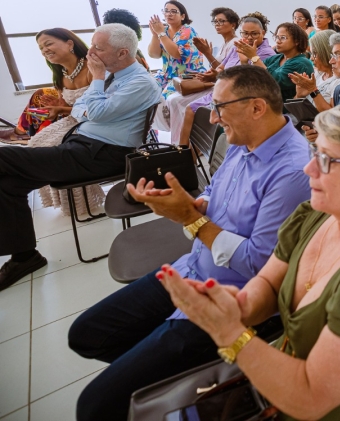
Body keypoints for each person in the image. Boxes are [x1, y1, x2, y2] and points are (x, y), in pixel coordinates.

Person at [153, 102, 340, 421]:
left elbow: (311, 398)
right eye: (314, 152)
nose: (309, 169)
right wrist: (240, 306)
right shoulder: (315, 214)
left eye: (325, 160)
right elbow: (269, 283)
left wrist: (230, 332)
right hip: (276, 386)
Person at [69, 66, 311, 421]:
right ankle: (162, 380)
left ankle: (174, 384)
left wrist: (190, 219)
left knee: (95, 407)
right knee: (86, 334)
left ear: (257, 107)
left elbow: (259, 266)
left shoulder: (292, 172)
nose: (213, 118)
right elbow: (214, 191)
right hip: (192, 268)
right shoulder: (245, 140)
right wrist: (189, 204)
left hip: (230, 300)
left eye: (219, 107)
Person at [0, 25, 161, 291]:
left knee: (4, 157)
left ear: (122, 53)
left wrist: (95, 82)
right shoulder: (114, 75)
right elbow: (80, 108)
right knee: (8, 185)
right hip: (83, 144)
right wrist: (90, 105)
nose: (90, 52)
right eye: (92, 44)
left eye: (98, 47)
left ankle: (23, 256)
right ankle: (25, 257)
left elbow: (93, 112)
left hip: (104, 154)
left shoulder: (139, 82)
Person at [177, 16, 276, 147]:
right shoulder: (238, 46)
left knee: (202, 117)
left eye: (254, 34)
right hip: (222, 90)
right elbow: (221, 67)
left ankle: (196, 151)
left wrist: (243, 61)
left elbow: (251, 81)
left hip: (239, 96)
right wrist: (213, 73)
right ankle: (182, 151)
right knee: (189, 108)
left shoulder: (267, 53)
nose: (249, 37)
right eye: (245, 33)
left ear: (263, 33)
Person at [0, 29, 92, 145]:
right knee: (41, 95)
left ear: (69, 44)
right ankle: (22, 132)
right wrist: (59, 106)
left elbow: (100, 110)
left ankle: (22, 133)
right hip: (74, 115)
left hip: (91, 119)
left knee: (41, 144)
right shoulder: (60, 75)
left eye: (48, 44)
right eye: (41, 48)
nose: (44, 50)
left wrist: (61, 109)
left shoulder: (92, 68)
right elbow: (67, 107)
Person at [165, 7, 241, 144]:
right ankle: (180, 143)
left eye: (221, 21)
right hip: (215, 82)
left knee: (177, 101)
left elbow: (226, 72)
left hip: (222, 87)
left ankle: (182, 145)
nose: (217, 24)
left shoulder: (235, 44)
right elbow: (218, 68)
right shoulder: (224, 44)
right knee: (172, 99)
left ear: (233, 24)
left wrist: (207, 53)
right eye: (215, 21)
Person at [148, 0, 206, 100]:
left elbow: (177, 54)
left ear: (182, 16)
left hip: (187, 75)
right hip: (166, 75)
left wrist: (161, 34)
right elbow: (154, 55)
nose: (169, 14)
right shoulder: (164, 31)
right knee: (147, 90)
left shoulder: (187, 31)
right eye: (166, 11)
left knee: (164, 98)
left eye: (174, 11)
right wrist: (155, 35)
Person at [253, 22, 314, 103]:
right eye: (277, 37)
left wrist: (254, 57)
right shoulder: (275, 58)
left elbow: (275, 82)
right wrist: (244, 60)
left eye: (283, 38)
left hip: (287, 109)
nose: (278, 41)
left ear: (296, 41)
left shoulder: (301, 63)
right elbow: (254, 75)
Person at [288, 29, 340, 112]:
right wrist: (299, 95)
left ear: (326, 53)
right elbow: (296, 111)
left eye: (315, 54)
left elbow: (331, 114)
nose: (311, 58)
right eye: (311, 54)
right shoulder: (317, 74)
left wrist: (313, 90)